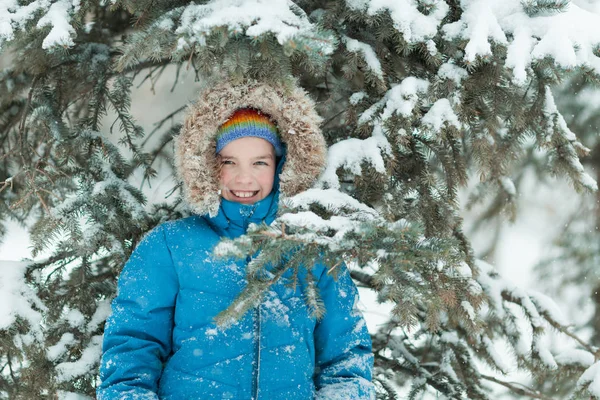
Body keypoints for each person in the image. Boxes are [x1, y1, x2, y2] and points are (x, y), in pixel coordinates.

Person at [97, 79, 375, 400]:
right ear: (208, 166)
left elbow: (346, 355)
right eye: (229, 162)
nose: (245, 178)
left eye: (260, 162)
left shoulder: (312, 248)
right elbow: (132, 349)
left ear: (282, 165)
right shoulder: (169, 246)